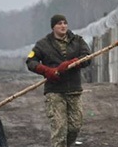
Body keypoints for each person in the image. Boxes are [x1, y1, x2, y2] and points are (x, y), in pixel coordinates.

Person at [26, 14, 92, 147]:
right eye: (59, 24)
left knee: (75, 126)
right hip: (54, 91)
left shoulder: (77, 41)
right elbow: (30, 61)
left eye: (65, 23)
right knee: (59, 128)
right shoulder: (43, 44)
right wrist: (47, 71)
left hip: (73, 90)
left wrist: (74, 62)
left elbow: (87, 57)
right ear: (53, 27)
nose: (63, 26)